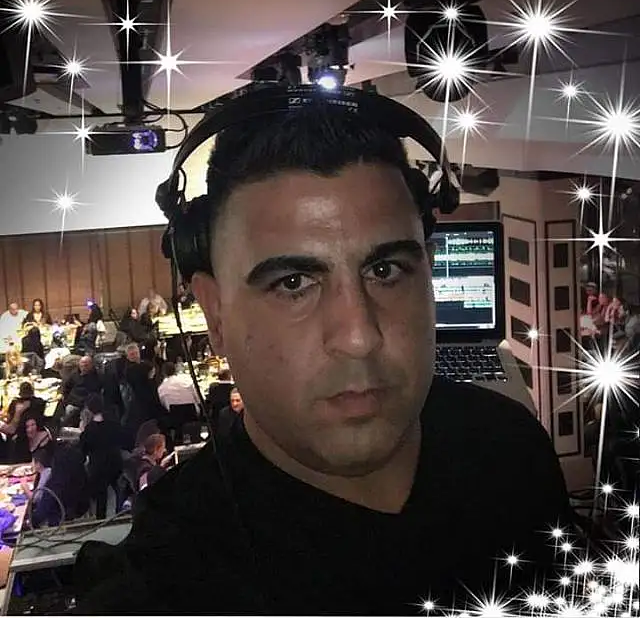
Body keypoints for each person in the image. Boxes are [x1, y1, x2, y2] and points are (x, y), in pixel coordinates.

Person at [74, 90, 574, 614]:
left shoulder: (512, 446)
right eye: (293, 282)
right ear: (216, 315)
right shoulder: (160, 586)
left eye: (385, 270)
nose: (359, 336)